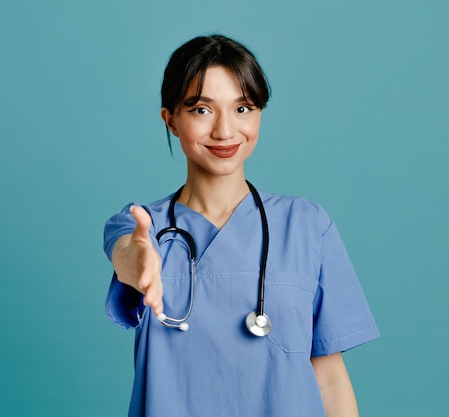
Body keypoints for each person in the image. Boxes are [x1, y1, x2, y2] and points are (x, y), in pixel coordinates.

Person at [103, 34, 379, 417]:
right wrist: (138, 263)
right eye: (201, 110)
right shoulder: (142, 227)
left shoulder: (307, 226)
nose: (225, 130)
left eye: (243, 108)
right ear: (171, 120)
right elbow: (126, 254)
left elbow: (329, 377)